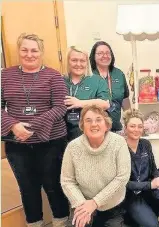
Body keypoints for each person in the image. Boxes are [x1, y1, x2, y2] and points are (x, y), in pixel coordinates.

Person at [1, 33, 69, 227]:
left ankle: (61, 222)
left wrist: (32, 126)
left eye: (34, 50)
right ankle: (35, 224)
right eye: (25, 50)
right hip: (17, 144)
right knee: (27, 188)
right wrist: (14, 126)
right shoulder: (5, 75)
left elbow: (60, 107)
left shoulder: (54, 76)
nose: (29, 54)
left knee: (54, 186)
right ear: (18, 51)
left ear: (41, 52)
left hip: (51, 143)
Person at [60, 104, 131, 227]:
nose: (94, 124)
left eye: (98, 120)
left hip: (112, 207)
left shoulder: (118, 143)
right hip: (83, 203)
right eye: (88, 120)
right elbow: (67, 181)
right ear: (82, 125)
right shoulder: (73, 147)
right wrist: (83, 206)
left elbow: (122, 178)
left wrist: (95, 202)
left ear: (106, 124)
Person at [122, 109, 159, 227]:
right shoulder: (120, 148)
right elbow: (123, 183)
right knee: (154, 225)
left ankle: (145, 217)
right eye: (132, 126)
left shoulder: (146, 144)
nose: (136, 130)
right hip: (130, 195)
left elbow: (153, 169)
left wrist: (158, 179)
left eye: (140, 126)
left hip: (147, 190)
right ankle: (135, 220)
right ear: (125, 128)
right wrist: (151, 185)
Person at [64, 46, 110, 141]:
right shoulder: (60, 81)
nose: (78, 64)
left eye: (82, 61)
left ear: (87, 62)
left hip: (89, 133)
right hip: (63, 134)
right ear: (68, 61)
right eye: (74, 60)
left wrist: (80, 103)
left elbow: (105, 104)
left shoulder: (97, 81)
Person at [90, 41, 130, 134]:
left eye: (108, 53)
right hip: (95, 129)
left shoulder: (119, 74)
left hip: (116, 128)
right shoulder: (89, 75)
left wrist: (129, 120)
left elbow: (125, 99)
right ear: (93, 56)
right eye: (100, 53)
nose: (105, 56)